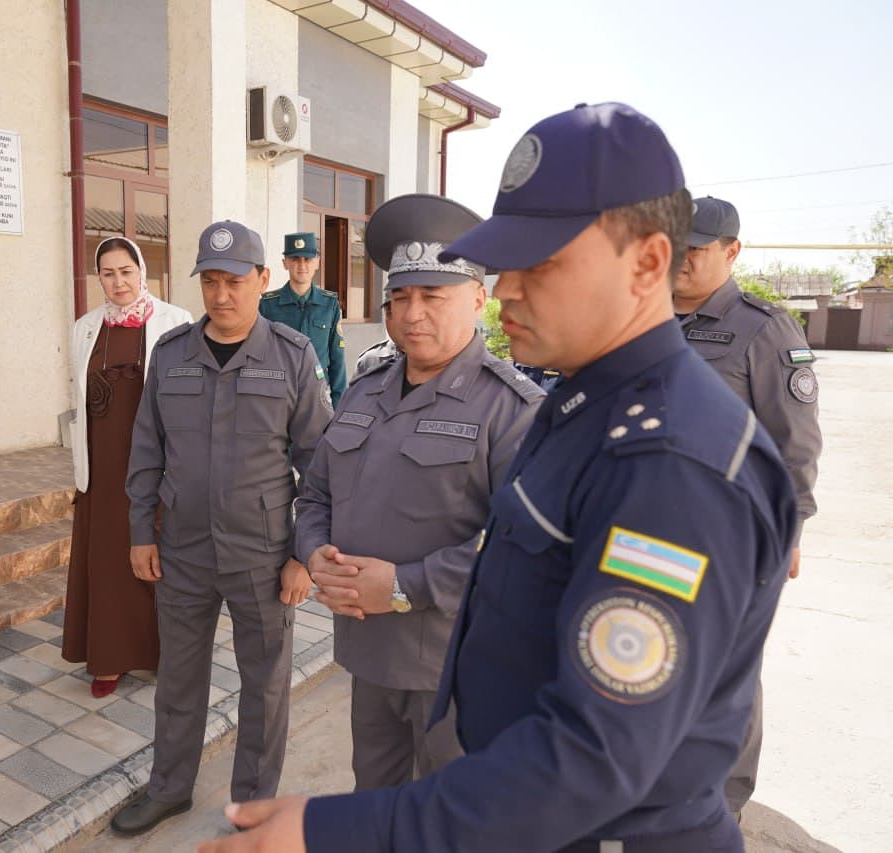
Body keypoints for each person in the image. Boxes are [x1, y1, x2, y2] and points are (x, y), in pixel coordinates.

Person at [200, 103, 797, 853]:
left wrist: (335, 829)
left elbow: (592, 756)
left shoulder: (672, 464)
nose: (507, 288)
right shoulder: (585, 405)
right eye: (504, 262)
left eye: (539, 263)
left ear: (648, 263)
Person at [298, 193, 543, 792]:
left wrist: (407, 586)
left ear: (479, 300)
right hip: (369, 653)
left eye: (433, 296)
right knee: (375, 799)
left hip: (458, 668)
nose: (413, 314)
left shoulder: (512, 409)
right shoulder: (365, 390)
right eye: (400, 298)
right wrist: (314, 555)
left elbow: (528, 548)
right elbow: (315, 498)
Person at [111, 220, 334, 836]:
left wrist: (303, 556)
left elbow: (319, 464)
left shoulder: (291, 355)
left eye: (233, 281)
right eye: (209, 282)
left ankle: (253, 805)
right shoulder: (173, 352)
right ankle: (170, 788)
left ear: (262, 280)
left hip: (262, 553)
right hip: (181, 548)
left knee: (264, 686)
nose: (220, 295)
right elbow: (146, 449)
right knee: (178, 678)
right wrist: (140, 531)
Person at [673, 195, 823, 817]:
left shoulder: (764, 328)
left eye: (697, 248)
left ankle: (719, 808)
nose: (680, 258)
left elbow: (795, 443)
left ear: (732, 252)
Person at [62, 237, 192, 697]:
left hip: (152, 462)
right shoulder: (84, 327)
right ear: (98, 278)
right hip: (102, 464)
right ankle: (108, 658)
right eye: (108, 273)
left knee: (155, 554)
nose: (118, 281)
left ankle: (161, 655)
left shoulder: (177, 323)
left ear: (142, 272)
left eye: (126, 271)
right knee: (107, 561)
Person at [259, 232, 348, 406]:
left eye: (307, 260)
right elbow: (260, 355)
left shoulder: (329, 304)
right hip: (279, 397)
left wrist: (339, 407)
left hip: (318, 396)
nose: (302, 266)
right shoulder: (268, 306)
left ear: (317, 262)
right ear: (285, 263)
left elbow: (337, 358)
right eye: (295, 259)